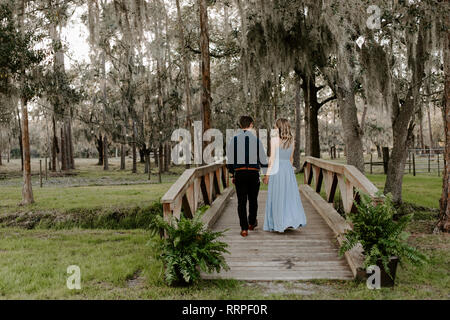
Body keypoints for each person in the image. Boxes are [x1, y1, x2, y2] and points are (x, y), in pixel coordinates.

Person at [226, 116, 268, 237]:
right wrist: (265, 173)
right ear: (251, 124)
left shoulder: (233, 140)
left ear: (240, 125)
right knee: (253, 199)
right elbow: (263, 159)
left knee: (241, 201)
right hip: (253, 173)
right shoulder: (256, 140)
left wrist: (232, 174)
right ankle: (251, 222)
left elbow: (229, 160)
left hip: (240, 173)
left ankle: (244, 229)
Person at [263, 118, 307, 232]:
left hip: (277, 170)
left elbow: (272, 159)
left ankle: (278, 223)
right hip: (288, 170)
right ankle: (289, 221)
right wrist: (288, 170)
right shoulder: (292, 141)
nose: (274, 128)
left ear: (279, 127)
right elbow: (291, 159)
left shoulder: (274, 140)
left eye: (275, 127)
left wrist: (267, 174)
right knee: (288, 197)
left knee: (277, 196)